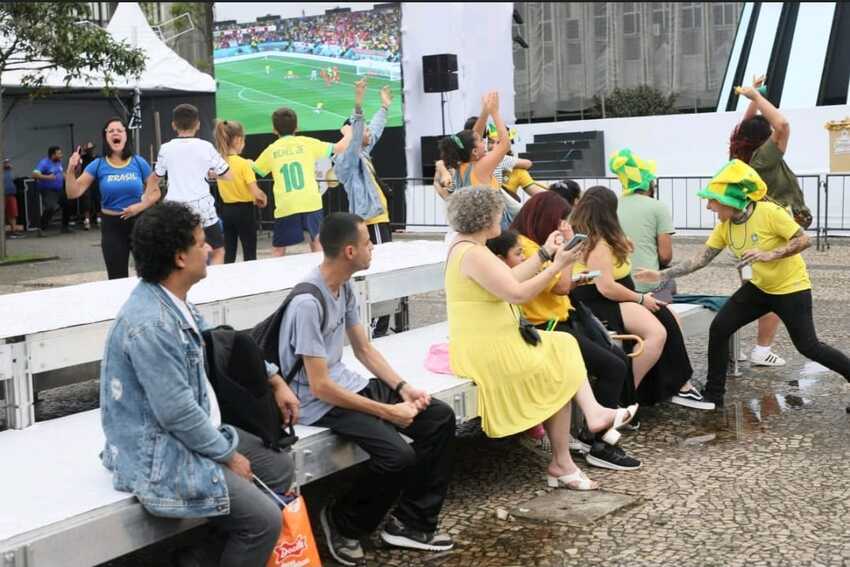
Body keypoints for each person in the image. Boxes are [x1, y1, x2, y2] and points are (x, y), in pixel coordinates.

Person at [100, 201, 297, 567]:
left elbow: (217, 339)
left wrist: (273, 377)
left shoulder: (172, 302)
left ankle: (197, 557)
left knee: (279, 468)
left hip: (185, 434)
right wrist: (227, 456)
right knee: (262, 521)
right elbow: (176, 412)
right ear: (179, 258)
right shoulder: (152, 324)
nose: (208, 249)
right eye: (200, 242)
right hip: (159, 454)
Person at [276, 213, 456, 566]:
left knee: (438, 417)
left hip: (345, 384)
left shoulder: (343, 286)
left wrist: (403, 388)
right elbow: (319, 386)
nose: (372, 248)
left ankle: (411, 522)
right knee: (396, 457)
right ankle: (343, 522)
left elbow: (364, 350)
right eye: (367, 243)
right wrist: (389, 412)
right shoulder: (307, 303)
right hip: (319, 402)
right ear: (348, 251)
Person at [445, 186, 638, 492]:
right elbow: (517, 292)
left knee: (563, 346)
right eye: (496, 211)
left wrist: (547, 254)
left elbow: (512, 278)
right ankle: (567, 454)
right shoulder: (473, 253)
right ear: (485, 218)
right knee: (556, 364)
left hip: (493, 338)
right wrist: (558, 266)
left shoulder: (470, 247)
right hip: (485, 347)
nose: (501, 216)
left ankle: (588, 422)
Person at [635, 160, 850, 408]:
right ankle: (714, 395)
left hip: (791, 289)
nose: (708, 206)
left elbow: (803, 240)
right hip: (758, 289)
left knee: (809, 347)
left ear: (730, 201)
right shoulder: (725, 226)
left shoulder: (769, 213)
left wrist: (771, 254)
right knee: (720, 328)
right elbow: (700, 260)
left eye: (713, 201)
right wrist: (660, 276)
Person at [507, 191, 641, 470]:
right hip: (546, 327)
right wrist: (567, 253)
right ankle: (600, 444)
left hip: (561, 319)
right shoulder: (528, 248)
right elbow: (560, 286)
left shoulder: (534, 243)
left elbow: (557, 285)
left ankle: (596, 434)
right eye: (560, 221)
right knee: (612, 367)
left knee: (616, 360)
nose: (563, 226)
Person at [570, 186, 714, 410]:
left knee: (669, 316)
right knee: (657, 333)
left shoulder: (605, 238)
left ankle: (676, 384)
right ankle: (627, 394)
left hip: (612, 297)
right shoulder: (597, 243)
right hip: (597, 302)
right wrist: (640, 298)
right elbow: (606, 287)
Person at [728, 75, 811, 367]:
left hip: (744, 228)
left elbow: (744, 127)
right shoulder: (765, 158)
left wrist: (753, 97)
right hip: (770, 229)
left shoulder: (738, 154)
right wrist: (756, 97)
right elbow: (784, 125)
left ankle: (734, 347)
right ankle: (762, 349)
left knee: (750, 290)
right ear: (765, 138)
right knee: (774, 292)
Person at [332, 79, 397, 336]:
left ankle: (381, 321)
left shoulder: (363, 154)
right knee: (380, 272)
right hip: (372, 222)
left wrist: (384, 107)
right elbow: (360, 132)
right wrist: (358, 104)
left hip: (378, 220)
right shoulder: (347, 159)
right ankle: (377, 324)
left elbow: (375, 131)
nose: (369, 132)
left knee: (388, 270)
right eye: (364, 129)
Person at [253, 90, 353, 257]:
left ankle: (273, 280)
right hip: (310, 201)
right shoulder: (307, 143)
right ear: (297, 127)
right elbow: (340, 148)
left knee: (279, 248)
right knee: (316, 242)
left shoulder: (271, 150)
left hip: (287, 203)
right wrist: (349, 132)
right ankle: (321, 279)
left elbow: (257, 169)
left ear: (274, 129)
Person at [65, 118, 160, 279]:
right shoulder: (98, 165)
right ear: (106, 137)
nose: (115, 133)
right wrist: (70, 169)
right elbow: (73, 193)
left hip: (139, 223)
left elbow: (155, 192)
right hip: (112, 227)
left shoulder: (139, 162)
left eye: (119, 130)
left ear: (126, 136)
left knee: (149, 275)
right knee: (117, 278)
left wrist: (140, 207)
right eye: (111, 131)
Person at [146, 103, 233, 265]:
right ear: (198, 124)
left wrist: (145, 197)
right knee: (217, 250)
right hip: (202, 207)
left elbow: (155, 177)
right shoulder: (206, 147)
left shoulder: (165, 149)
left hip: (174, 208)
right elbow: (228, 175)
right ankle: (213, 286)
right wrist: (213, 174)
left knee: (177, 252)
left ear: (173, 125)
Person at [611, 149, 678, 304]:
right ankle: (662, 307)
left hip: (619, 282)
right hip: (647, 284)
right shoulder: (658, 207)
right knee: (669, 280)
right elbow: (666, 256)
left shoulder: (611, 206)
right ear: (648, 183)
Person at [438, 92, 510, 225]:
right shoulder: (480, 167)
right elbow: (505, 144)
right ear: (475, 151)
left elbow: (474, 134)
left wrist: (485, 111)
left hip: (478, 224)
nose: (484, 141)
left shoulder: (461, 165)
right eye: (481, 141)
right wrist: (494, 112)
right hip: (493, 224)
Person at [213, 119, 268, 263]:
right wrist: (262, 197)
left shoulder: (219, 162)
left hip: (226, 210)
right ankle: (251, 282)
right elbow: (255, 192)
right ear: (238, 140)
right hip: (245, 211)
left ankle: (228, 280)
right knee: (249, 250)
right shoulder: (244, 164)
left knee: (229, 250)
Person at [32, 146, 67, 236]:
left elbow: (61, 172)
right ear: (53, 155)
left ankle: (65, 227)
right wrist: (48, 177)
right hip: (48, 190)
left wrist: (67, 177)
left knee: (69, 202)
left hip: (59, 190)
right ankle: (41, 229)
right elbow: (34, 174)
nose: (61, 155)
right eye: (59, 153)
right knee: (51, 207)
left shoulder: (58, 162)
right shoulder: (44, 163)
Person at [79, 142, 100, 229]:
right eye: (88, 150)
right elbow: (78, 168)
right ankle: (87, 220)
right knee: (86, 200)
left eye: (91, 149)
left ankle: (99, 219)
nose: (90, 151)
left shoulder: (97, 158)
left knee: (98, 199)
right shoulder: (82, 158)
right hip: (86, 181)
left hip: (96, 180)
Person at [4, 160, 23, 236]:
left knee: (13, 213)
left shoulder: (10, 171)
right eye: (5, 162)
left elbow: (16, 178)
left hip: (11, 194)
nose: (7, 164)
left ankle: (14, 231)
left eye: (8, 162)